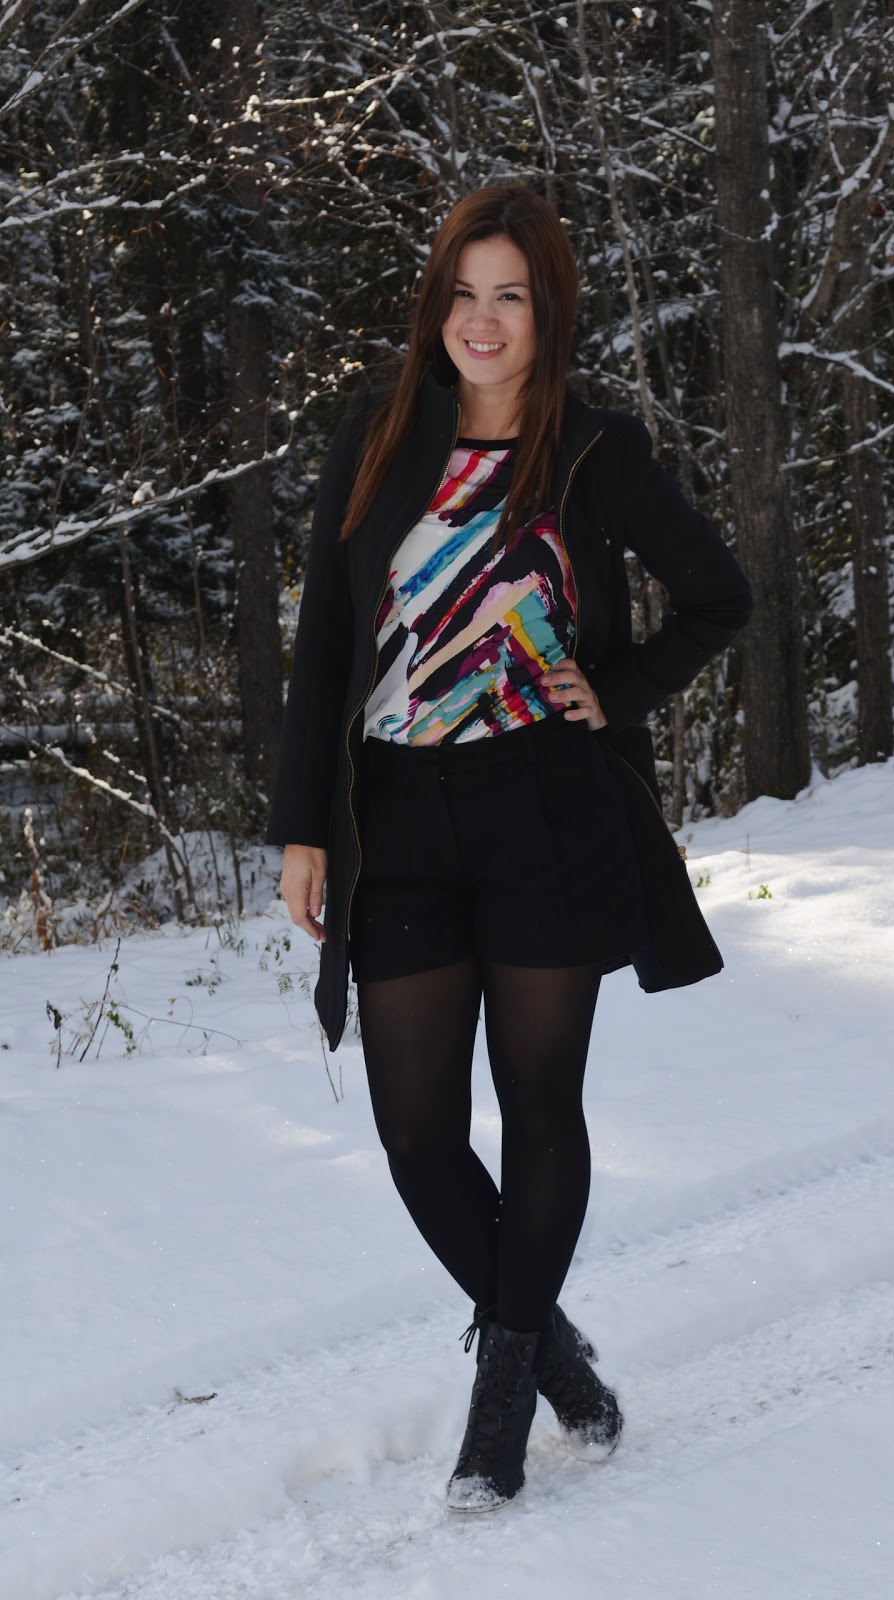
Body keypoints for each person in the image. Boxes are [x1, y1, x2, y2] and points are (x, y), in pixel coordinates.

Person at [267, 183, 753, 1513]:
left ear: (549, 314)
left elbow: (720, 594)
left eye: (511, 297)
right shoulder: (377, 435)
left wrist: (619, 689)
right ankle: (547, 1347)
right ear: (438, 305)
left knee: (541, 1108)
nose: (481, 321)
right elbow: (325, 641)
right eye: (463, 293)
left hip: (547, 807)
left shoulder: (592, 450)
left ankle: (500, 1407)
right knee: (418, 1134)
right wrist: (302, 824)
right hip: (397, 816)